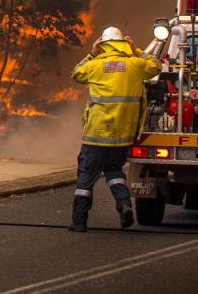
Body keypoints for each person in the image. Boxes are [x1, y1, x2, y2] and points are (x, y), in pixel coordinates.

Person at [68, 26, 161, 232]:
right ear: (123, 43)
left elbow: (75, 73)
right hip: (122, 135)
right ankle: (124, 205)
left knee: (86, 175)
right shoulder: (136, 64)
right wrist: (136, 50)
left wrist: (92, 52)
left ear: (103, 44)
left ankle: (79, 221)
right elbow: (156, 66)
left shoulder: (94, 64)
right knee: (114, 171)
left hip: (96, 134)